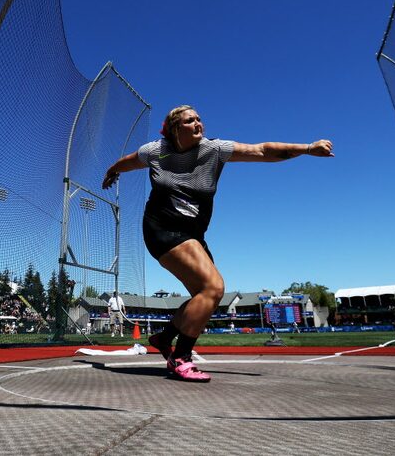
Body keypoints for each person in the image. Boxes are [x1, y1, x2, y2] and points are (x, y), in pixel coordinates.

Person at [102, 105, 333, 382]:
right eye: (190, 120)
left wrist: (308, 148)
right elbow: (129, 161)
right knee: (214, 287)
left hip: (193, 234)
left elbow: (261, 150)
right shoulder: (159, 151)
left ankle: (164, 337)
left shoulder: (213, 150)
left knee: (206, 297)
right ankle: (181, 357)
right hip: (161, 229)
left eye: (199, 118)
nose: (199, 123)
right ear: (176, 128)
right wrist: (113, 170)